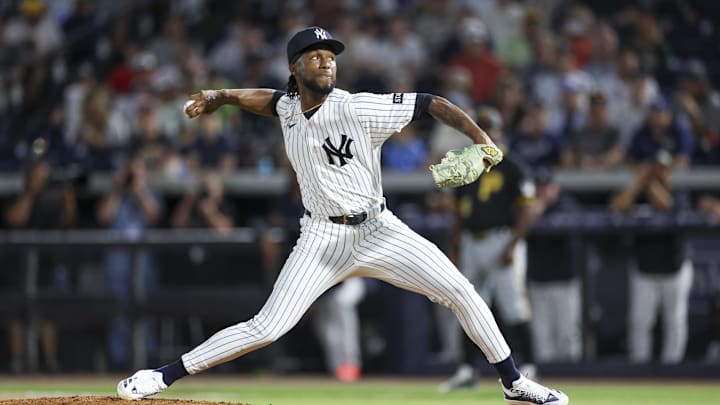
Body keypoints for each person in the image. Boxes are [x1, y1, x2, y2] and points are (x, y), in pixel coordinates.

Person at [117, 26, 568, 405]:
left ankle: (514, 383)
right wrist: (221, 95)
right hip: (321, 238)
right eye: (314, 56)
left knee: (461, 291)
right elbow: (265, 99)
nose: (326, 62)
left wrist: (482, 139)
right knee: (267, 326)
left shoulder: (357, 107)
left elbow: (431, 102)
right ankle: (160, 376)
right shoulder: (289, 107)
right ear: (294, 68)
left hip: (379, 230)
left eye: (329, 56)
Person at [438, 107, 537, 393]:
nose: (483, 135)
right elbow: (457, 212)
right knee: (468, 307)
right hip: (472, 241)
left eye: (488, 129)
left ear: (497, 131)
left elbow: (527, 208)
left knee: (514, 306)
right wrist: (455, 248)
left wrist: (513, 244)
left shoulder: (512, 165)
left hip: (502, 239)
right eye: (479, 129)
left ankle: (529, 366)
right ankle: (468, 370)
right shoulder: (466, 166)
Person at [610, 150, 693, 364]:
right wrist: (638, 182)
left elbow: (666, 205)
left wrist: (649, 183)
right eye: (655, 167)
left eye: (662, 168)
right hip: (644, 267)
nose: (658, 172)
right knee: (640, 322)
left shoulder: (679, 190)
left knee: (674, 321)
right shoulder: (638, 191)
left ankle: (672, 368)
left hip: (674, 268)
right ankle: (639, 368)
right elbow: (617, 206)